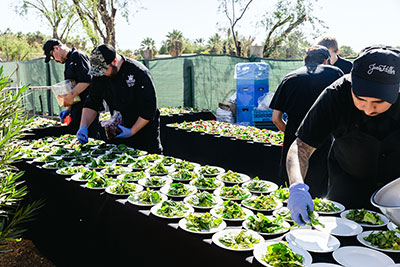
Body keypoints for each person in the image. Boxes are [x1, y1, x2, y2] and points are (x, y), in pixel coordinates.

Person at [286, 45, 400, 225]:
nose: (369, 109)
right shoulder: (336, 94)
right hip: (346, 186)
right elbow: (301, 146)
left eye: (379, 101)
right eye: (361, 99)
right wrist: (297, 187)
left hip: (395, 193)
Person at [270, 45, 344, 196]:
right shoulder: (335, 74)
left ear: (305, 60)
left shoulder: (290, 78)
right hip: (325, 144)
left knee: (291, 190)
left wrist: (294, 133)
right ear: (326, 60)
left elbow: (276, 118)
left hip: (294, 145)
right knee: (321, 194)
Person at [76, 44, 162, 154]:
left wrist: (132, 131)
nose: (101, 74)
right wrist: (83, 126)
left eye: (104, 71)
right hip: (118, 130)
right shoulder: (100, 75)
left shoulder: (139, 72)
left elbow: (149, 108)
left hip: (144, 133)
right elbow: (92, 102)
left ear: (114, 62)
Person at [43, 39, 99, 137]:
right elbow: (72, 85)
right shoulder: (68, 62)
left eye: (52, 56)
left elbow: (86, 80)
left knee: (91, 137)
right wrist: (68, 109)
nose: (55, 60)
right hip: (77, 108)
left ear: (56, 48)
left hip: (88, 107)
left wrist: (70, 94)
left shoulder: (77, 56)